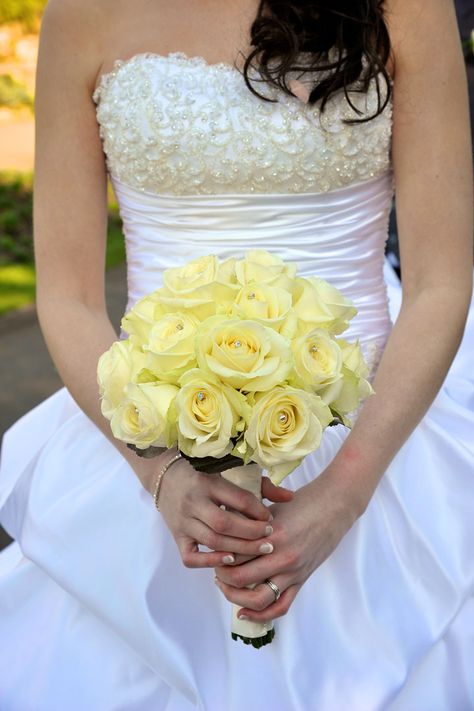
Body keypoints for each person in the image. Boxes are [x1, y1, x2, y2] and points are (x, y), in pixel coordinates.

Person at [0, 0, 473, 708]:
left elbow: (441, 283)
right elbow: (67, 298)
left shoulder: (406, 8)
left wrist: (342, 495)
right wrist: (160, 476)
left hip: (376, 444)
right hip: (154, 447)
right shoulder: (82, 12)